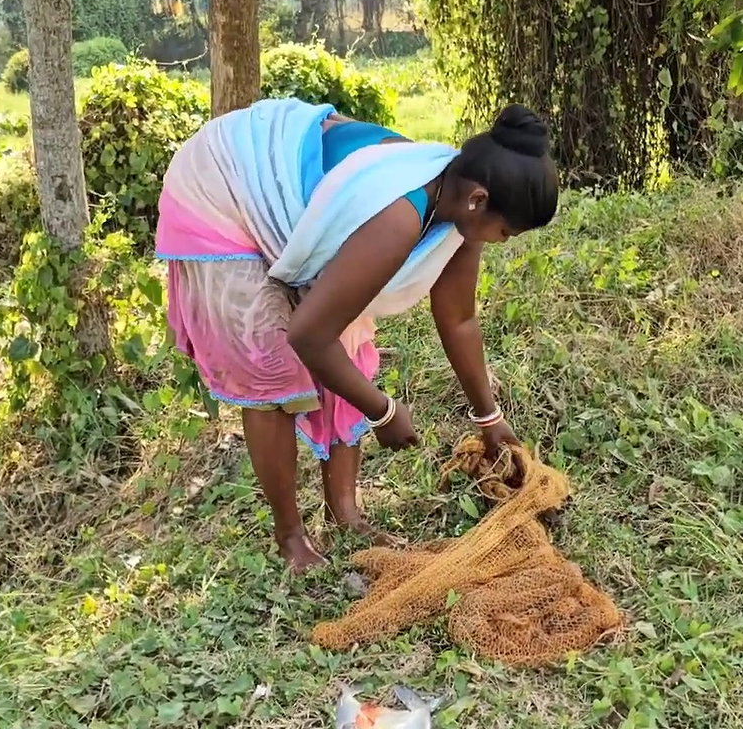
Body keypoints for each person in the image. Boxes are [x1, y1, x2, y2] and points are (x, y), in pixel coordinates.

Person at [155, 97, 559, 572]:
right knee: (272, 368)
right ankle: (291, 540)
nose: (501, 242)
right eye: (506, 232)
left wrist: (489, 418)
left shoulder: (459, 205)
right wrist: (383, 412)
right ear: (478, 200)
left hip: (287, 186)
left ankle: (344, 515)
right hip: (225, 186)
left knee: (346, 348)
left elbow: (459, 320)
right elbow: (308, 337)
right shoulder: (397, 217)